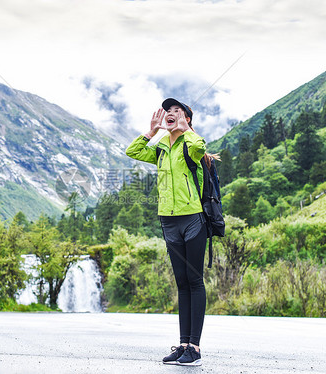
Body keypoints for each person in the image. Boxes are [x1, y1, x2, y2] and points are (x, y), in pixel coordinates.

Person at [125, 98, 208, 366]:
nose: (171, 114)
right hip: (169, 221)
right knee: (182, 283)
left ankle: (194, 347)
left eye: (177, 112)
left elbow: (199, 147)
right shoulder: (161, 148)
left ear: (186, 119)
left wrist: (187, 129)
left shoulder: (190, 144)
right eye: (168, 111)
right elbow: (133, 151)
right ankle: (183, 344)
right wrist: (151, 132)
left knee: (195, 281)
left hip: (192, 219)